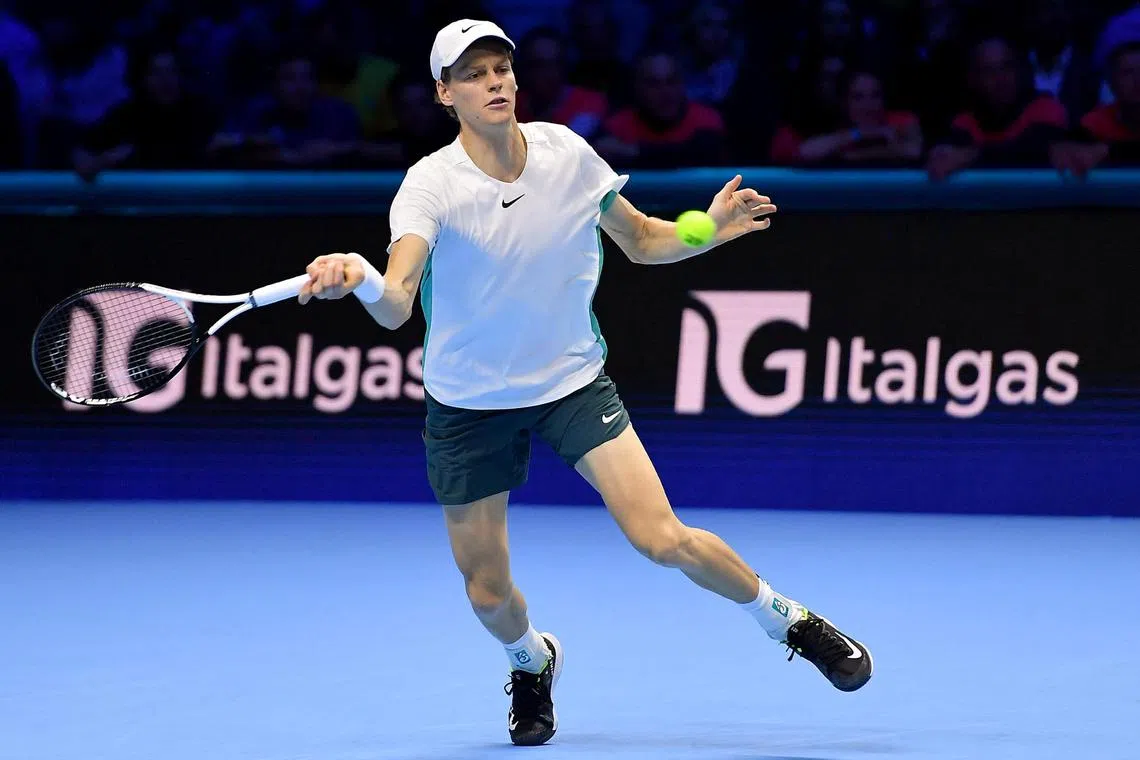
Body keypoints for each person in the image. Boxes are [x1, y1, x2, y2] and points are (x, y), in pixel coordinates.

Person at [297, 19, 874, 747]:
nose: (496, 81)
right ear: (445, 94)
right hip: (469, 405)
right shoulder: (430, 186)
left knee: (660, 537)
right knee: (487, 594)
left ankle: (788, 620)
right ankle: (531, 660)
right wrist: (360, 275)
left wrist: (710, 229)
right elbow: (397, 303)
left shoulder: (567, 153)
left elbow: (643, 239)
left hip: (571, 381)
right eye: (473, 74)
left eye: (501, 67)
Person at [926, 36, 1068, 180]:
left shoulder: (1046, 108)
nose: (1001, 79)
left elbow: (1035, 151)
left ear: (1019, 71)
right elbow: (950, 155)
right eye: (988, 71)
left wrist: (969, 156)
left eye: (1007, 67)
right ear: (973, 80)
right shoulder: (965, 122)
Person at [771, 67, 923, 166]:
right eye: (858, 97)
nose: (868, 104)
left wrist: (854, 156)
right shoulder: (840, 129)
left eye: (875, 96)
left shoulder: (902, 121)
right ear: (845, 102)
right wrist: (860, 134)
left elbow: (914, 150)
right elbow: (805, 152)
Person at [1052, 41, 1140, 175]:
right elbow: (1068, 148)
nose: (1137, 80)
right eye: (1127, 73)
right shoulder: (1095, 123)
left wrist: (1108, 151)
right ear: (1111, 82)